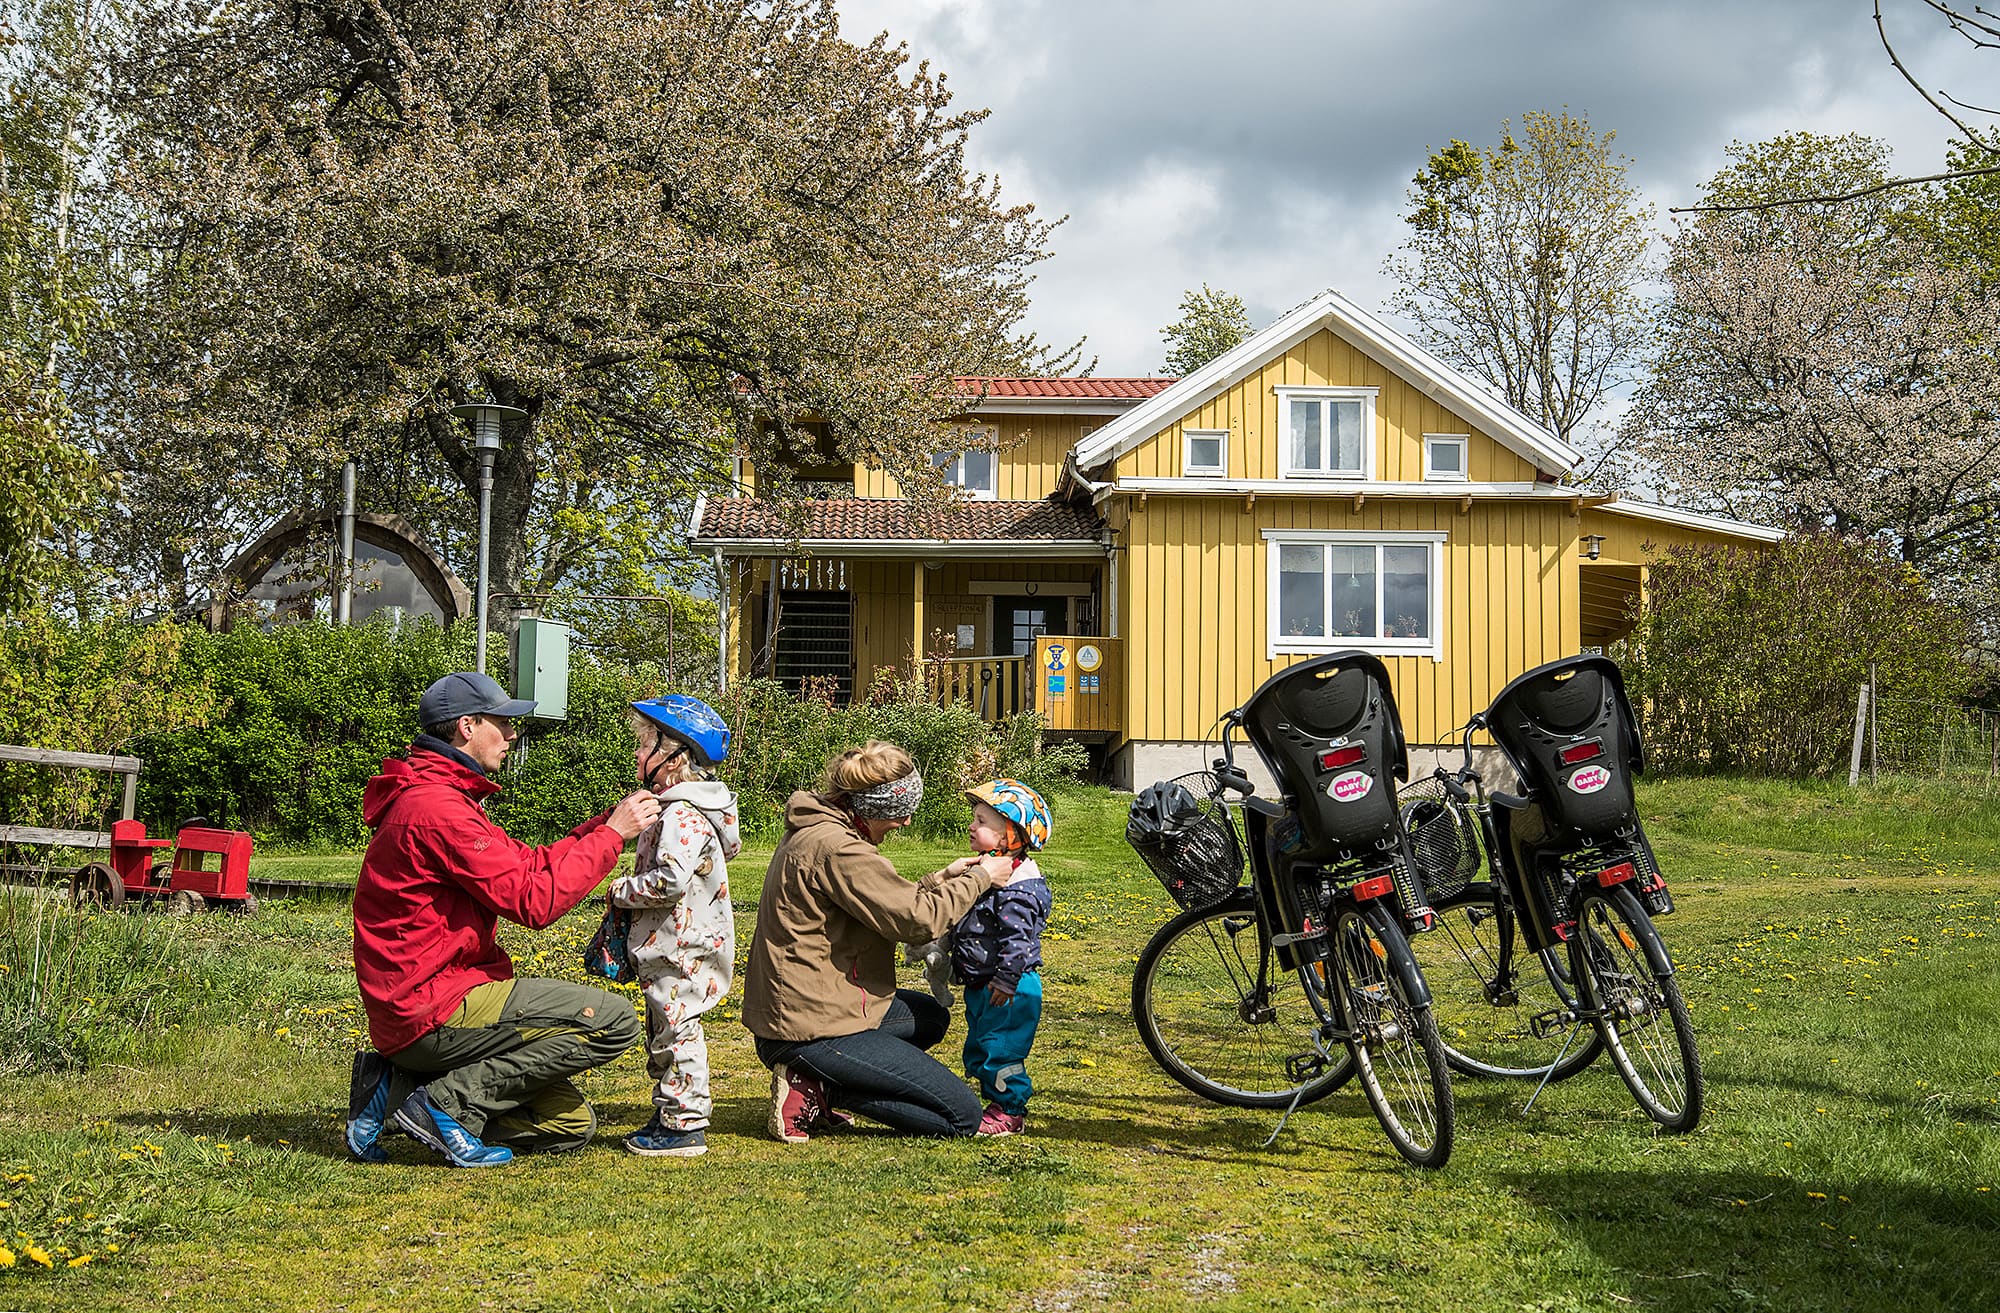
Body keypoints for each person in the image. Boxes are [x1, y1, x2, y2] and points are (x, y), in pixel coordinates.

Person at [344, 671, 658, 1168]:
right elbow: (536, 900)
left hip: (421, 1001)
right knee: (614, 1022)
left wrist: (603, 825)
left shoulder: (442, 795)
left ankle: (397, 1088)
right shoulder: (437, 808)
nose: (512, 735)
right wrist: (612, 839)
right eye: (504, 723)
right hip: (433, 1004)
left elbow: (528, 864)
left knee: (571, 1125)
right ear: (467, 726)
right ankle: (445, 1104)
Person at [739, 741, 1012, 1142]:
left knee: (931, 1017)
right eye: (900, 814)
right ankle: (819, 1087)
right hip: (807, 1029)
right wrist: (981, 877)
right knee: (962, 1118)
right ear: (873, 809)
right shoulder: (839, 849)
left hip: (812, 1010)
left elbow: (882, 905)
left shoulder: (823, 830)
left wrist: (941, 879)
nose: (903, 824)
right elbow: (918, 920)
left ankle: (818, 1080)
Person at [613, 695, 741, 1158]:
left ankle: (685, 1123)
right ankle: (670, 1106)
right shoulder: (677, 808)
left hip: (681, 944)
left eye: (644, 745)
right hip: (668, 940)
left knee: (677, 1027)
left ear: (673, 758)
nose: (636, 754)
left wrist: (620, 891)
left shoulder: (682, 815)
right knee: (664, 1027)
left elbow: (669, 880)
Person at [949, 779, 1054, 1137]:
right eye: (974, 818)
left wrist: (1008, 979)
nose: (971, 826)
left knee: (1001, 1051)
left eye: (981, 821)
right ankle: (993, 1103)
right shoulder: (988, 872)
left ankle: (1009, 1110)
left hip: (1008, 987)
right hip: (984, 984)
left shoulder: (1018, 886)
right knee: (980, 1047)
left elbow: (1018, 939)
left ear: (1011, 833)